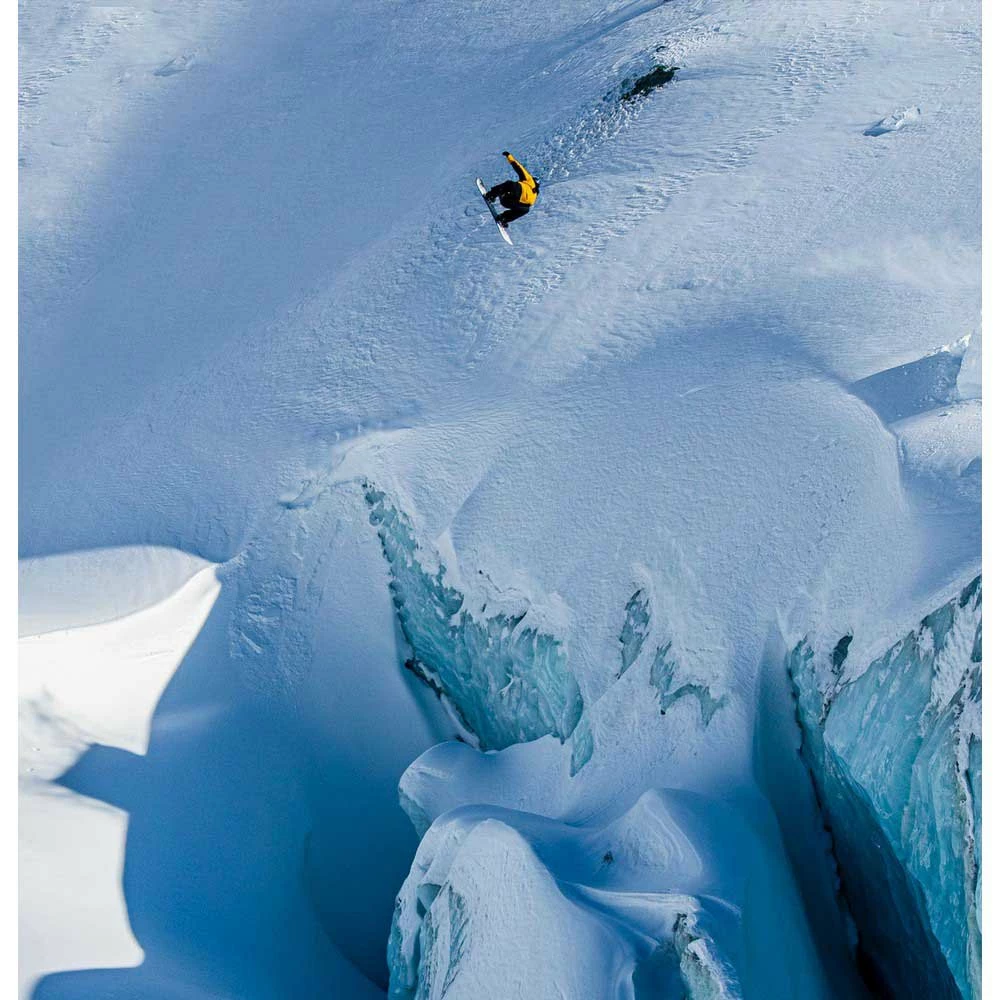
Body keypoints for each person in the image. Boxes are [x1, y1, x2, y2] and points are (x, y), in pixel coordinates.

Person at [484, 151, 539, 227]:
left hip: (511, 196)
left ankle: (491, 195)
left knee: (510, 184)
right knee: (526, 209)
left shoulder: (530, 180)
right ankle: (504, 218)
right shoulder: (535, 196)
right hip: (509, 202)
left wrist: (509, 156)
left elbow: (519, 167)